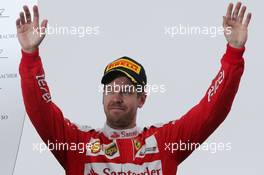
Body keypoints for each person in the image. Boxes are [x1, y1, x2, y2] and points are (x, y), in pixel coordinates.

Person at [17, 2, 251, 175]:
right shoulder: (78, 144)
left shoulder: (164, 142)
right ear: (102, 96)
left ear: (142, 98)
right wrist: (29, 56)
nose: (117, 96)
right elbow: (40, 110)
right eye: (110, 89)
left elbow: (212, 111)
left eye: (127, 90)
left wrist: (233, 53)